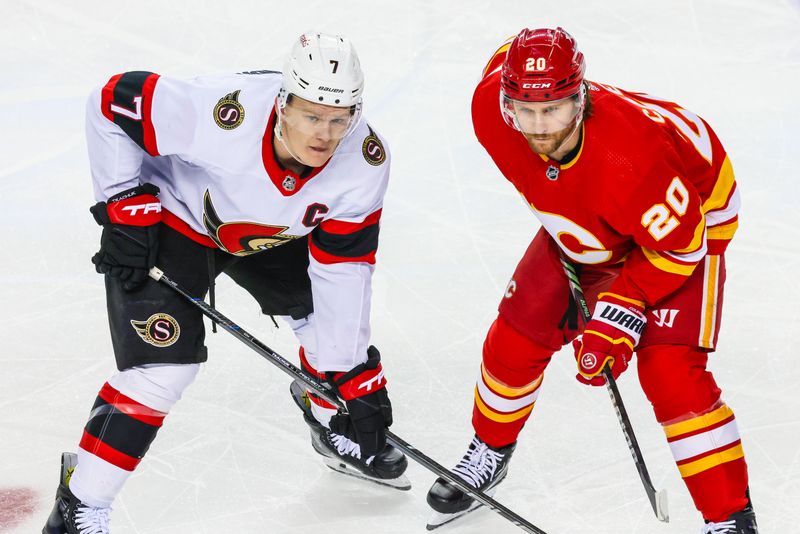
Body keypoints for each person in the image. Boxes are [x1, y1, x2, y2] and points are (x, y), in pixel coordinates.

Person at [43, 31, 408, 534]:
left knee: (330, 336)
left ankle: (326, 416)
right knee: (161, 371)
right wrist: (123, 202)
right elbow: (112, 102)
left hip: (266, 232)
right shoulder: (221, 115)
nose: (325, 134)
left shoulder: (363, 163)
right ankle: (80, 503)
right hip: (177, 218)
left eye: (339, 118)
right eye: (311, 115)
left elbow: (344, 271)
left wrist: (350, 377)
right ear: (282, 104)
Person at [426, 27, 757, 534]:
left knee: (670, 374)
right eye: (525, 109)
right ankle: (490, 449)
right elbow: (506, 54)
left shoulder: (633, 157)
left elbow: (679, 248)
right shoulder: (490, 110)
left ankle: (730, 517)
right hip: (598, 208)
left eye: (554, 108)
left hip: (689, 220)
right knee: (517, 333)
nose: (539, 128)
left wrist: (618, 313)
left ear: (582, 96)